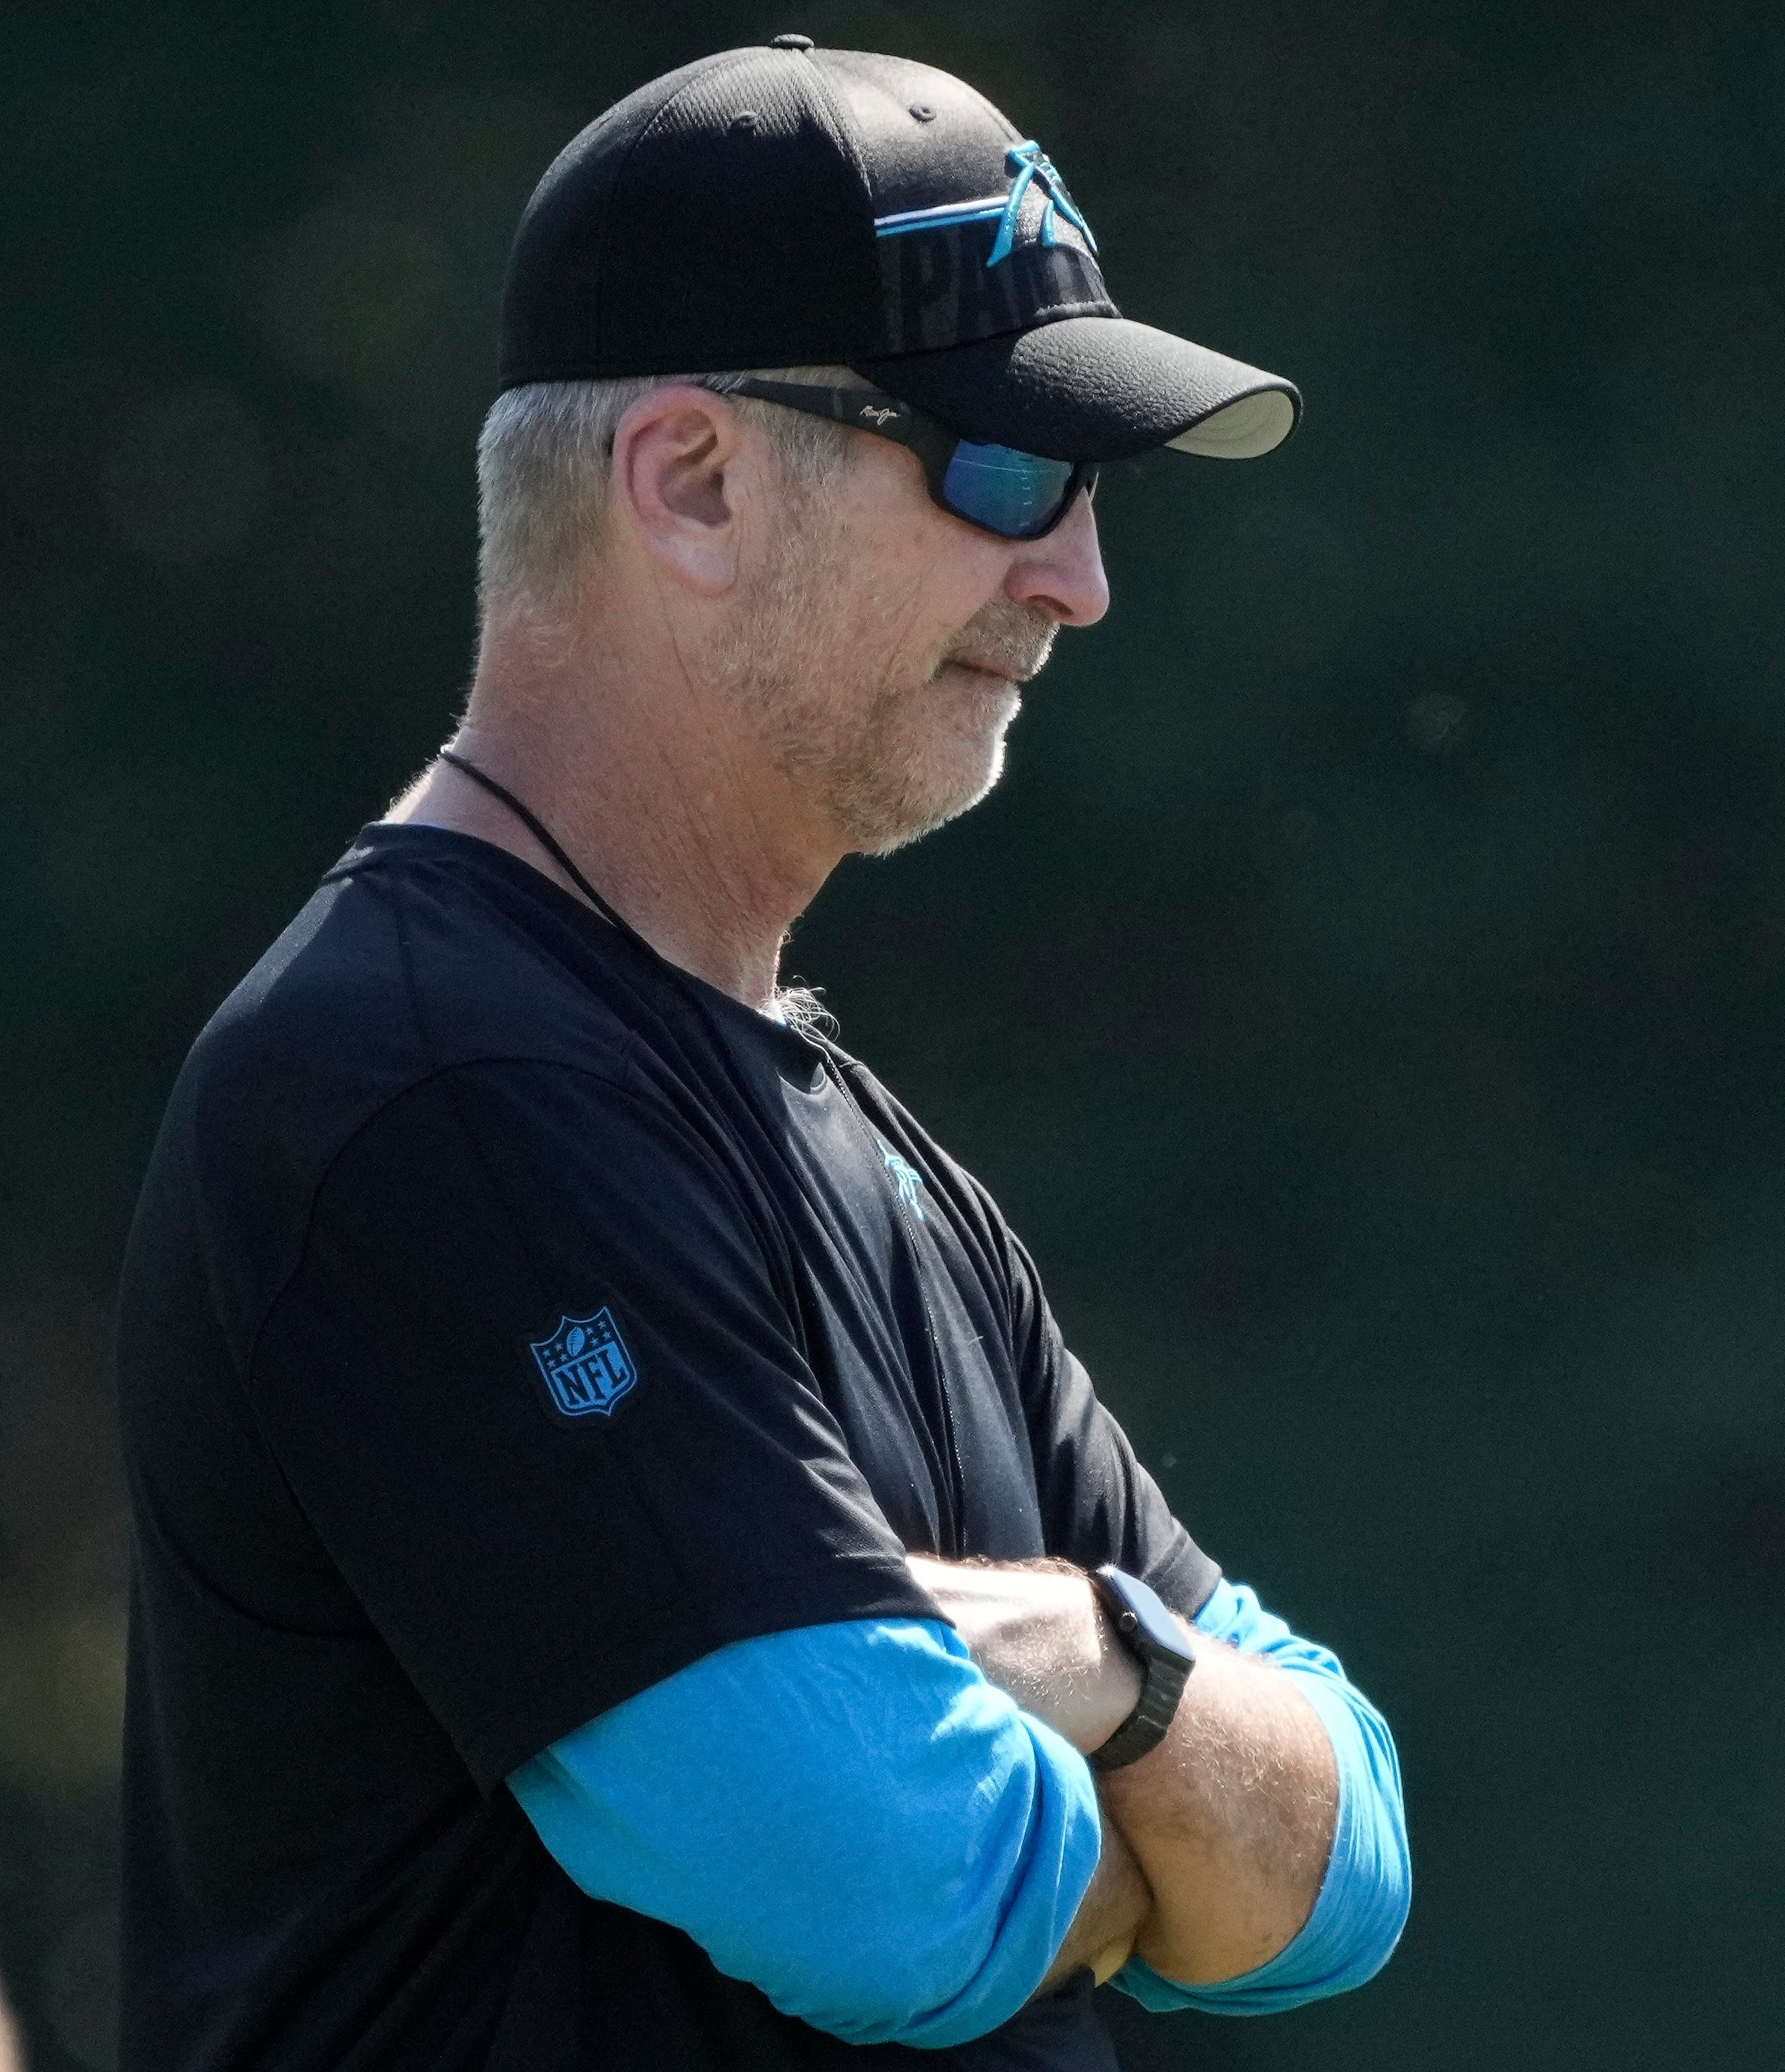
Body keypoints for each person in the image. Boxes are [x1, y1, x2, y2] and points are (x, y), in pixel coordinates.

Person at [109, 38, 1405, 2072]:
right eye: (999, 468)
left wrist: (1101, 1662)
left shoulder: (858, 1141)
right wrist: (1150, 1809)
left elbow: (1343, 1873)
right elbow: (907, 1898)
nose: (1076, 578)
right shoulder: (427, 1083)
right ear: (691, 483)